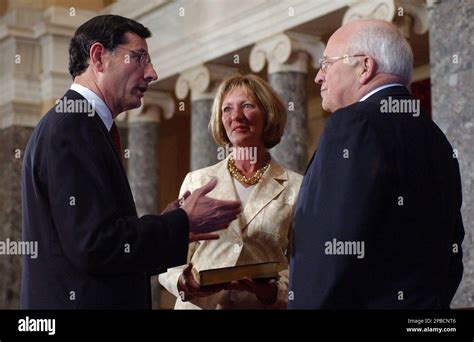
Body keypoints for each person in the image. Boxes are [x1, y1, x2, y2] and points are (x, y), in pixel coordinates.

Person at [20, 15, 241, 309]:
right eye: (139, 58)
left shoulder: (80, 124)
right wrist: (180, 222)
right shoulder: (72, 127)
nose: (152, 73)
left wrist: (170, 223)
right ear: (99, 57)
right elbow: (94, 246)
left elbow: (100, 239)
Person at [289, 19, 464, 309]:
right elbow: (452, 250)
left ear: (365, 67)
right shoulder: (436, 137)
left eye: (327, 64)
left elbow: (326, 254)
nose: (319, 77)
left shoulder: (353, 123)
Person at [159, 74, 302, 309]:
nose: (236, 116)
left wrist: (272, 292)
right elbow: (169, 256)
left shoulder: (296, 186)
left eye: (247, 105)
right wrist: (184, 282)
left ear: (268, 114)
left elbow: (303, 264)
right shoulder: (197, 181)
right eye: (227, 109)